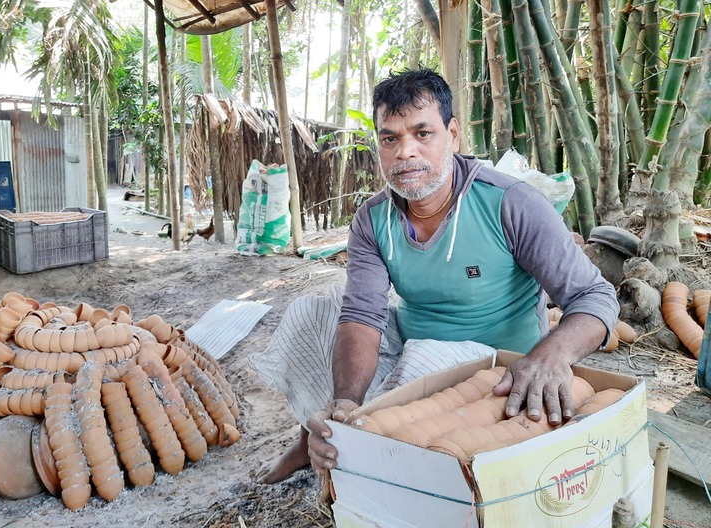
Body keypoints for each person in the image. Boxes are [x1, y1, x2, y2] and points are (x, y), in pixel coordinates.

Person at [249, 68, 619, 484]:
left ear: (453, 135)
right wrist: (346, 401)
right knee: (312, 312)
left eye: (422, 134)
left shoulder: (511, 203)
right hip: (414, 343)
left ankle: (375, 461)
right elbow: (364, 316)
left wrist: (548, 358)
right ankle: (320, 434)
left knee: (418, 367)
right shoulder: (373, 219)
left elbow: (595, 296)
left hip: (493, 365)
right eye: (390, 138)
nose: (405, 152)